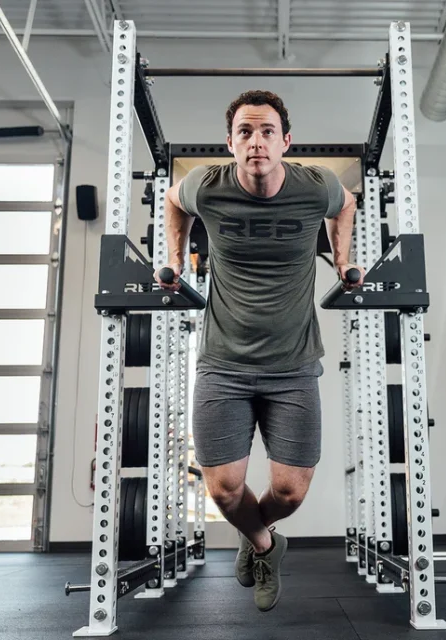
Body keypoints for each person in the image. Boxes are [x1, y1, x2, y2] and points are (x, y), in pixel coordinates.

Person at [154, 90, 363, 612]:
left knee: (289, 493)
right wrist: (174, 261)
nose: (256, 142)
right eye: (245, 132)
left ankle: (259, 532)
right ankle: (265, 545)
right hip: (223, 363)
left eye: (267, 131)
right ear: (230, 143)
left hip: (293, 366)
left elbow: (349, 204)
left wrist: (342, 261)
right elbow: (173, 200)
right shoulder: (208, 183)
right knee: (223, 490)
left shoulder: (317, 186)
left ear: (285, 142)